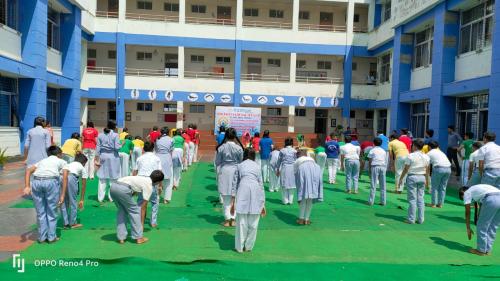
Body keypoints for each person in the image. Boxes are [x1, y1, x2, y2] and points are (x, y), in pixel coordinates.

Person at [23, 146, 68, 243]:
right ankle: (51, 237)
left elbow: (28, 171)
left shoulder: (42, 161)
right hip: (50, 182)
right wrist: (63, 195)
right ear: (59, 154)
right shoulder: (62, 161)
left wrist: (27, 186)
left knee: (41, 212)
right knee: (51, 211)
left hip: (37, 182)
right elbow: (64, 178)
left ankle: (42, 237)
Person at [110, 171, 164, 244]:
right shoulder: (149, 186)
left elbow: (134, 188)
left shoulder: (143, 178)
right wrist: (141, 224)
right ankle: (139, 237)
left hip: (113, 187)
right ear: (158, 182)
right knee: (135, 211)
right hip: (123, 189)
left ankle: (121, 238)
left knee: (122, 211)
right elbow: (143, 207)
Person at [230, 147, 266, 253]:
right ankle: (248, 246)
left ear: (244, 155)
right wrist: (263, 203)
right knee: (254, 223)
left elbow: (235, 184)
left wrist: (233, 201)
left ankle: (239, 247)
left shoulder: (239, 166)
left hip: (243, 190)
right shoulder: (257, 166)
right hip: (256, 191)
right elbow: (261, 184)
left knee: (241, 221)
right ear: (254, 156)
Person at [459, 184, 500, 256]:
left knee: (481, 226)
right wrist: (479, 215)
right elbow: (481, 205)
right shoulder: (477, 189)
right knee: (493, 226)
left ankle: (481, 250)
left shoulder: (466, 193)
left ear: (462, 194)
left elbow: (467, 212)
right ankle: (487, 250)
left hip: (491, 199)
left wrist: (468, 228)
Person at [215, 128, 244, 227]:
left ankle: (227, 219)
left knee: (226, 197)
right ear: (235, 136)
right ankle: (233, 219)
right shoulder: (239, 148)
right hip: (236, 170)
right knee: (235, 196)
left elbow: (217, 162)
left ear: (226, 136)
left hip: (225, 171)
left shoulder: (221, 147)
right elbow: (241, 162)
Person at [399, 139, 430, 224]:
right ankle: (421, 219)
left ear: (415, 146)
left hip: (412, 176)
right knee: (421, 198)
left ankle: (411, 219)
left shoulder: (411, 156)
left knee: (412, 199)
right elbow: (427, 170)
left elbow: (406, 168)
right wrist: (427, 181)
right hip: (422, 177)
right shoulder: (426, 156)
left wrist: (401, 178)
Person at [132, 141, 162, 227]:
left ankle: (139, 220)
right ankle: (153, 222)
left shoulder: (139, 158)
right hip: (152, 182)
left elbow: (135, 172)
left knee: (140, 202)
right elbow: (159, 172)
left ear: (144, 149)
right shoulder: (157, 158)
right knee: (155, 202)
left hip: (141, 182)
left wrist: (134, 185)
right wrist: (160, 185)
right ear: (153, 149)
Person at [295, 149, 323, 225]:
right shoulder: (310, 157)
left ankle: (301, 219)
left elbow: (296, 176)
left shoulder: (297, 160)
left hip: (303, 168)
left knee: (303, 197)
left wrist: (299, 194)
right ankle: (306, 219)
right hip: (316, 168)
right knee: (310, 197)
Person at [95, 121, 122, 203]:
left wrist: (96, 158)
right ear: (114, 127)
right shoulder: (115, 135)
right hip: (113, 157)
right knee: (113, 178)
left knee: (102, 178)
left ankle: (100, 198)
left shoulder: (100, 135)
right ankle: (111, 198)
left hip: (103, 156)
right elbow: (117, 148)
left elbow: (98, 147)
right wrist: (122, 144)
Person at [60, 154, 88, 229]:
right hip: (71, 178)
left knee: (64, 201)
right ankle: (72, 223)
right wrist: (81, 199)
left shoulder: (69, 164)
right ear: (84, 163)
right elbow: (83, 185)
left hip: (61, 177)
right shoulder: (82, 167)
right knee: (73, 201)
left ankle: (65, 223)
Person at [427, 141, 452, 208]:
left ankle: (433, 204)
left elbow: (426, 164)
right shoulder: (441, 152)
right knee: (443, 187)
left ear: (429, 147)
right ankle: (440, 204)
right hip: (448, 169)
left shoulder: (429, 153)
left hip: (439, 168)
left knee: (434, 187)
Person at [155, 128, 174, 204]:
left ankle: (157, 197)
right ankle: (166, 198)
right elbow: (171, 150)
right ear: (168, 132)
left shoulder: (157, 139)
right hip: (167, 158)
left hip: (158, 158)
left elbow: (156, 149)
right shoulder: (171, 139)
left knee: (156, 179)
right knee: (168, 180)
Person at [277, 137, 297, 204]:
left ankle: (285, 201)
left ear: (285, 143)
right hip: (292, 168)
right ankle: (290, 201)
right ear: (292, 143)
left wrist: (277, 169)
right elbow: (296, 160)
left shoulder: (282, 150)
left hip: (284, 168)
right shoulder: (294, 150)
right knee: (292, 185)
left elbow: (279, 161)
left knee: (284, 184)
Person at [367, 137, 387, 206]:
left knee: (373, 184)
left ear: (374, 143)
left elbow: (370, 161)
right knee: (383, 184)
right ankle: (383, 201)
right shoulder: (383, 151)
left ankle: (371, 201)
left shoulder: (372, 150)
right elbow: (385, 160)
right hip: (383, 166)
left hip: (375, 166)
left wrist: (369, 170)